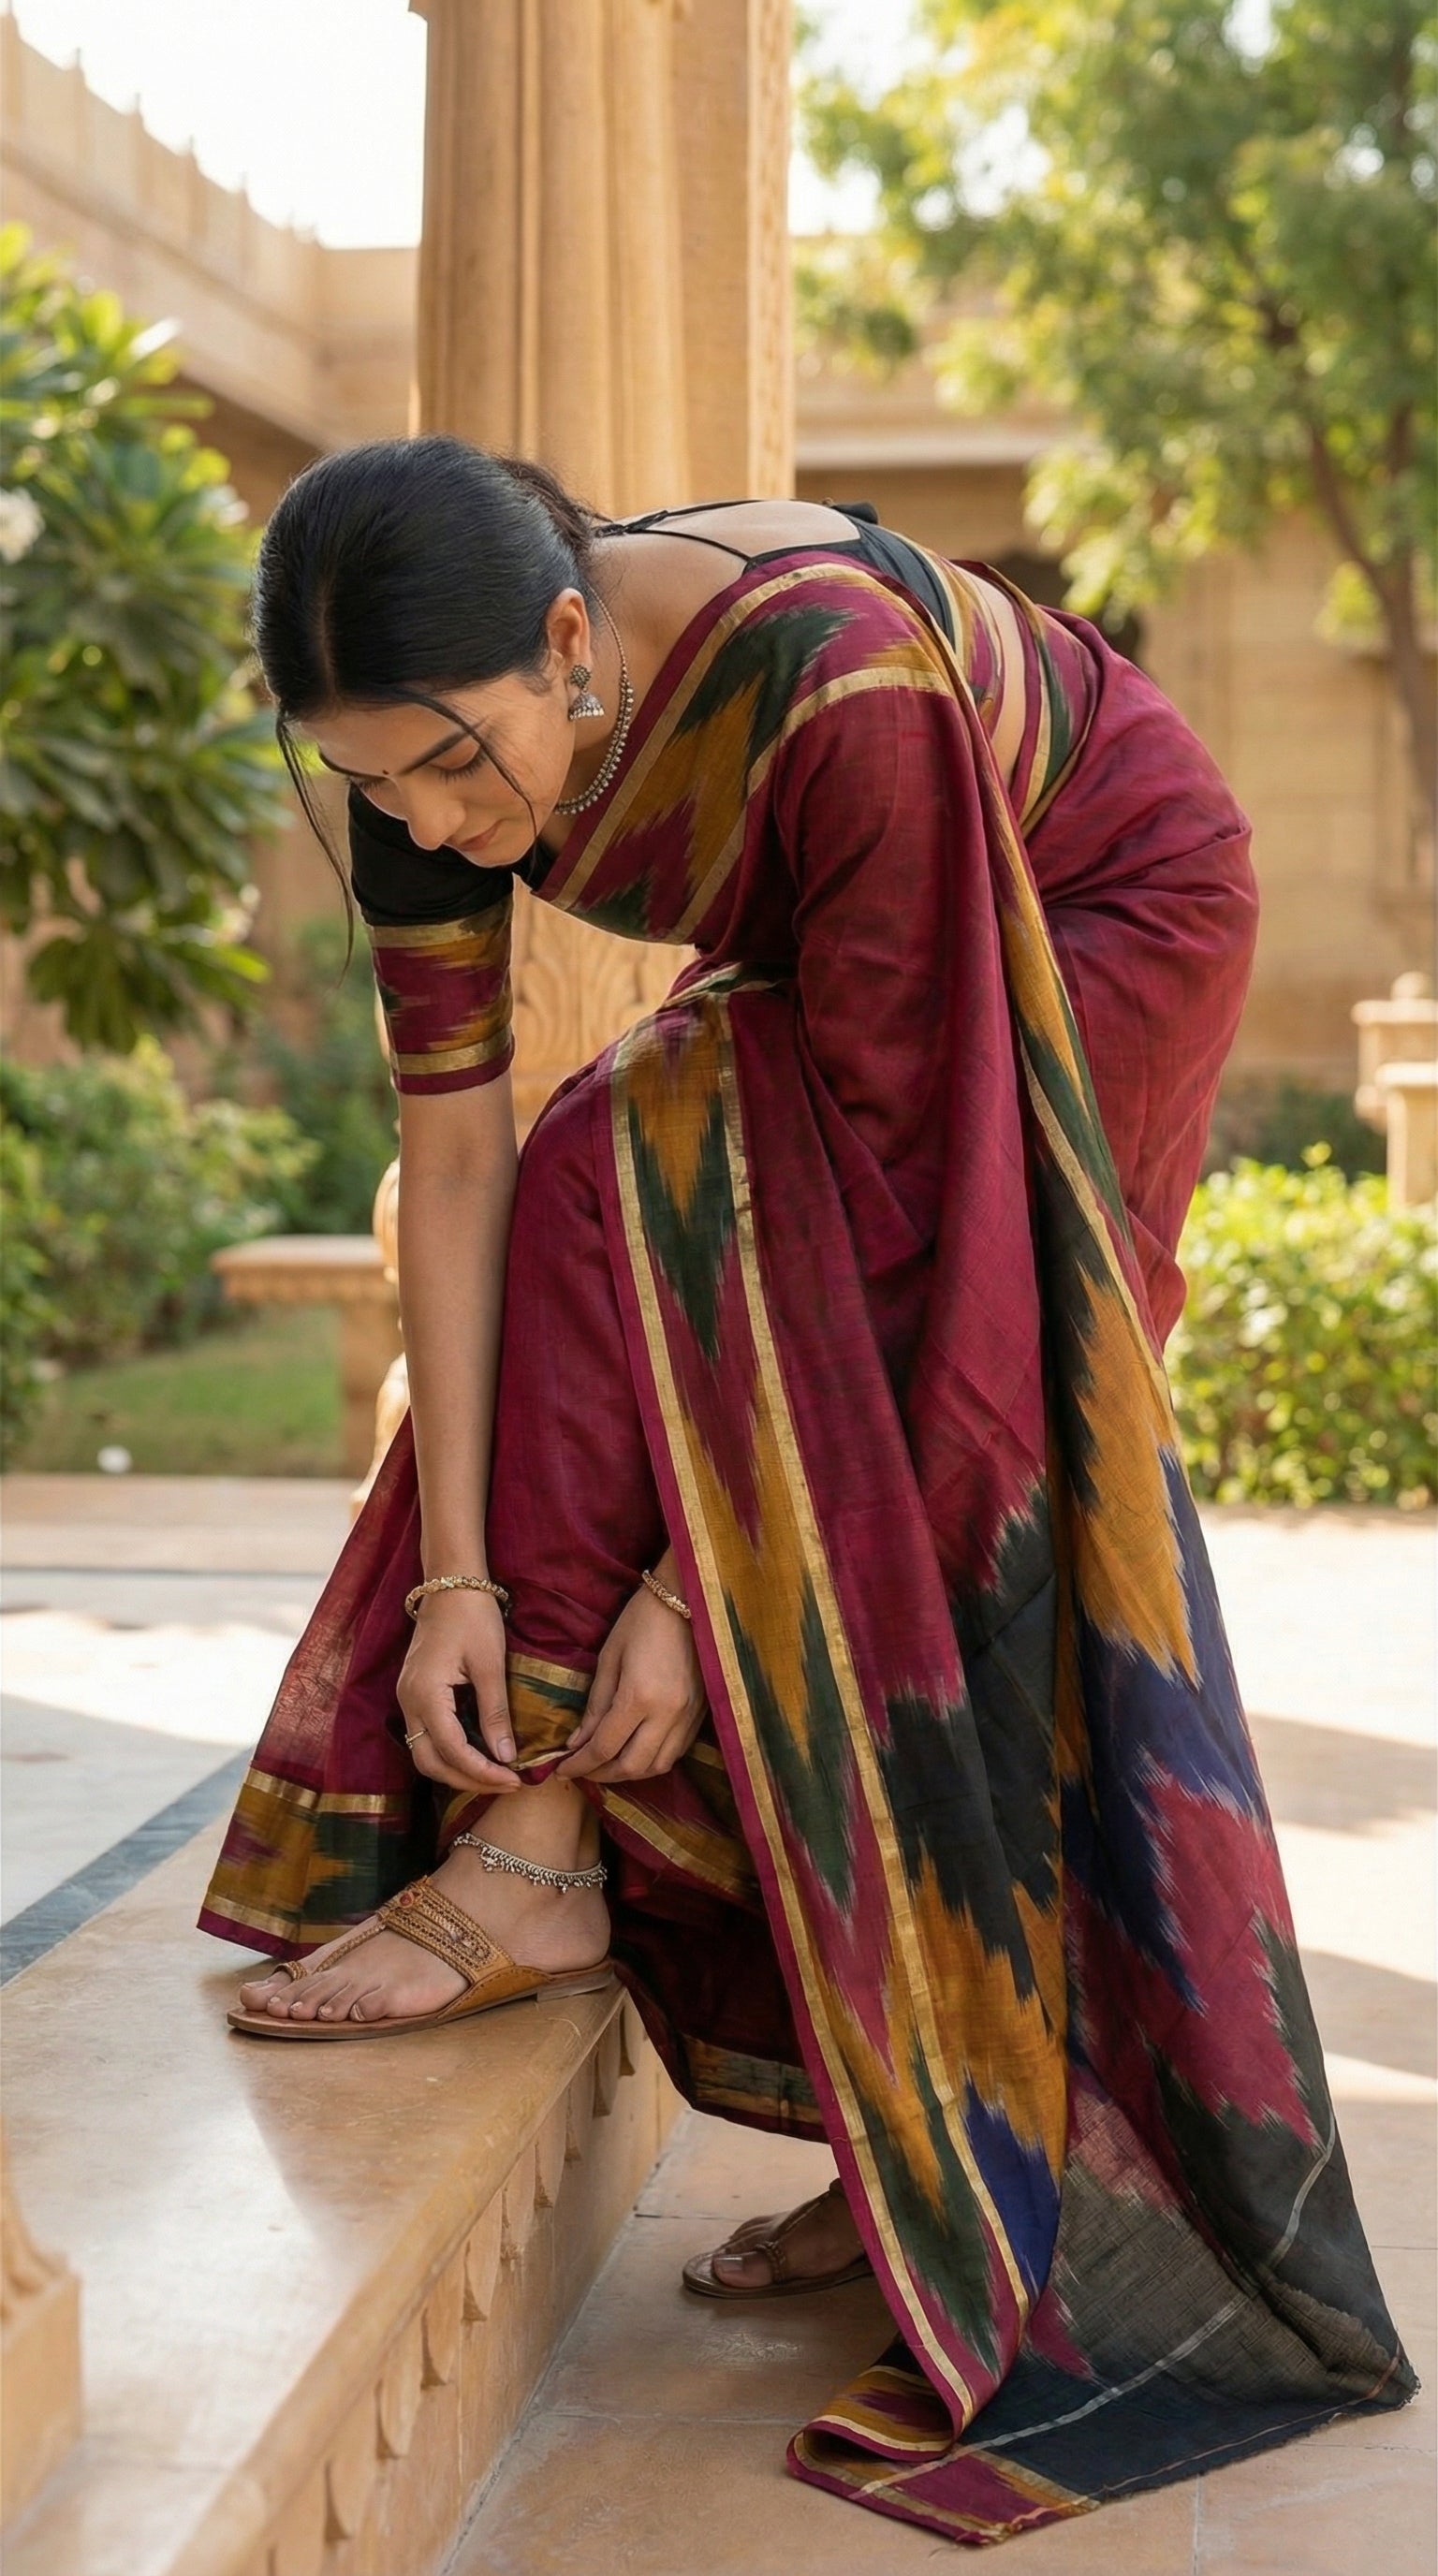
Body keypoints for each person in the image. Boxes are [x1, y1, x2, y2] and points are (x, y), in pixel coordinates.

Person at [201, 441, 1412, 2545]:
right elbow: (459, 1162)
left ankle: (910, 2115)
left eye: (457, 773)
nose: (431, 823)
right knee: (587, 1172)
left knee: (945, 1498)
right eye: (375, 784)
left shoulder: (827, 687)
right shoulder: (424, 728)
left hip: (1103, 917)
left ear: (574, 646)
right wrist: (461, 1572)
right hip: (879, 958)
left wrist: (694, 1570)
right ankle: (841, 2089)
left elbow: (899, 1224)